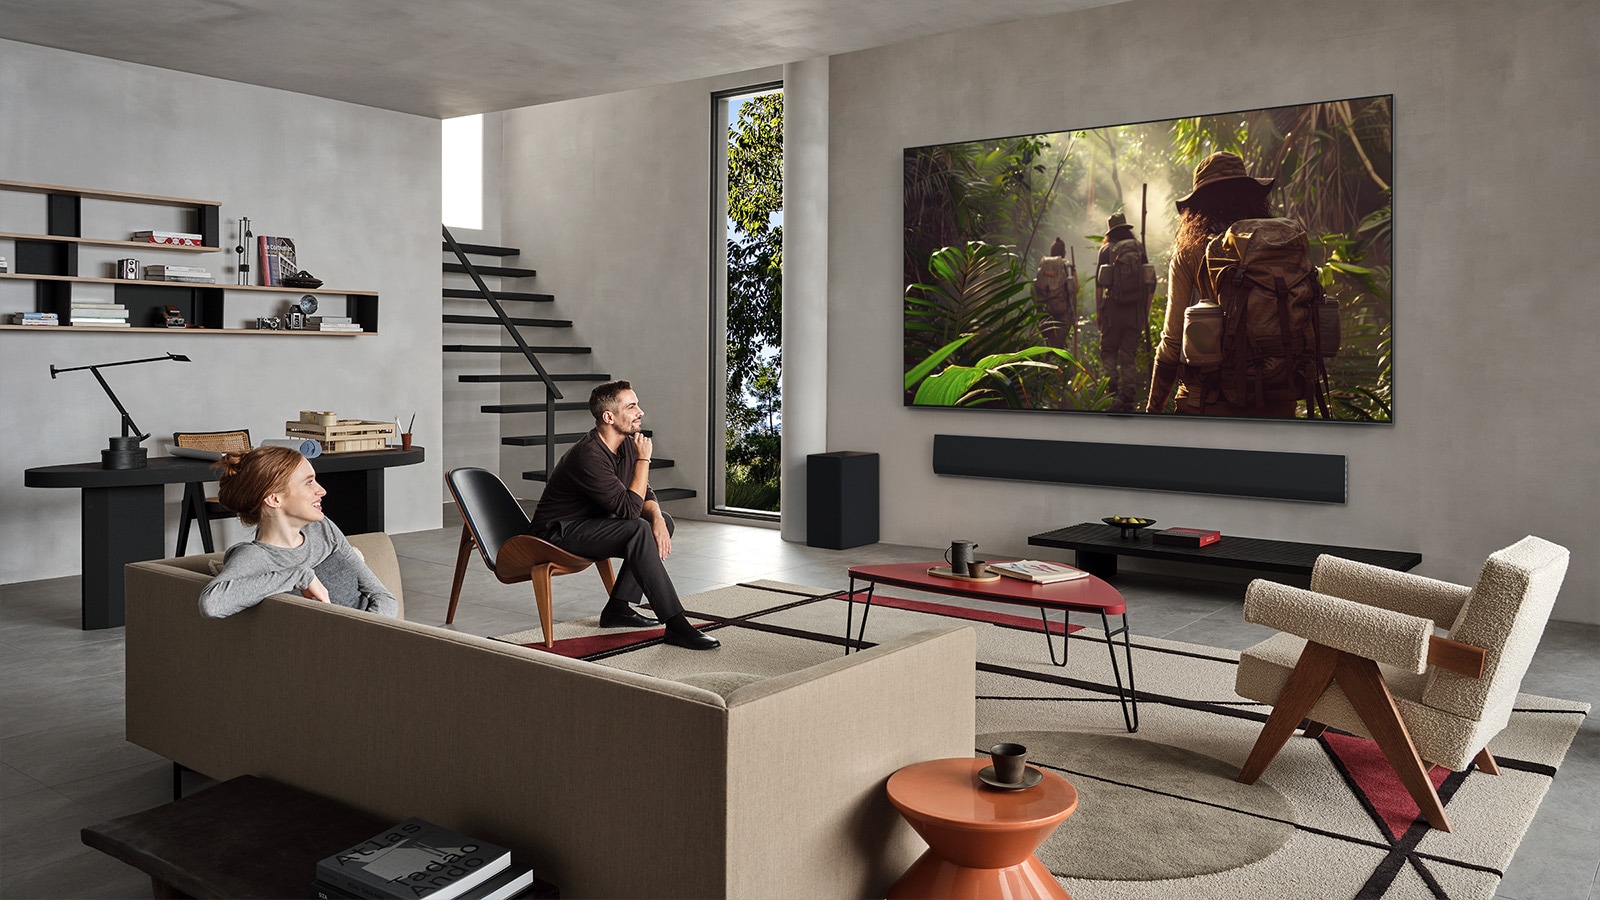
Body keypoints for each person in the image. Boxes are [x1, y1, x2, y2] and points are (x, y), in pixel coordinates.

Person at [526, 381, 718, 650]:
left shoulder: (627, 445)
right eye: (631, 406)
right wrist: (644, 460)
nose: (640, 411)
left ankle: (618, 608)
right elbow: (629, 510)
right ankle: (676, 624)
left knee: (655, 521)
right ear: (609, 417)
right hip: (556, 534)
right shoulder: (588, 455)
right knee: (638, 528)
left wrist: (659, 519)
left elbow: (643, 494)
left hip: (589, 524)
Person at [1146, 151, 1292, 416]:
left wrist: (1153, 407)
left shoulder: (1190, 252)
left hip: (1211, 402)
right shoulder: (1279, 245)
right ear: (1251, 196)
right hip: (1278, 395)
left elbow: (1173, 341)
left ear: (1199, 205)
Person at [198, 445, 399, 618]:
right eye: (309, 482)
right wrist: (299, 576)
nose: (322, 490)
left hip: (371, 638)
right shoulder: (256, 557)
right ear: (274, 499)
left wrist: (366, 635)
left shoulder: (322, 528)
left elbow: (384, 597)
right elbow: (211, 604)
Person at [1095, 212, 1149, 411]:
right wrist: (1145, 313)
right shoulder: (1138, 248)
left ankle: (1112, 390)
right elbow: (1148, 283)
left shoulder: (1105, 250)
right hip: (1134, 310)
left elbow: (1099, 285)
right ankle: (1128, 396)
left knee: (1108, 351)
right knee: (1129, 354)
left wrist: (1099, 313)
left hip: (1112, 311)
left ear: (1111, 231)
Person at [1032, 236, 1077, 351]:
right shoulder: (1065, 267)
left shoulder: (1042, 266)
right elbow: (1074, 289)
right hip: (1062, 314)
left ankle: (1048, 366)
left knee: (1049, 346)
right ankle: (1056, 366)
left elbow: (1034, 290)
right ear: (1064, 252)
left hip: (1044, 314)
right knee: (1058, 348)